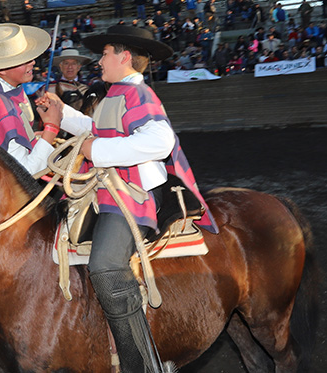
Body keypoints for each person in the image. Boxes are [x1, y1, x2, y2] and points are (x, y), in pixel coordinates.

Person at [37, 25, 218, 372]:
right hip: (109, 192)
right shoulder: (115, 93)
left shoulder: (140, 95)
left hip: (131, 198)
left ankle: (144, 365)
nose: (99, 60)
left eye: (104, 53)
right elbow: (97, 129)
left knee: (104, 266)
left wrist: (97, 150)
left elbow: (160, 140)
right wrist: (61, 113)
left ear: (123, 57)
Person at [0, 23, 79, 175]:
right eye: (24, 60)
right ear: (2, 69)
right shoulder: (5, 115)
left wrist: (29, 136)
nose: (33, 62)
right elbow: (27, 173)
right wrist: (51, 127)